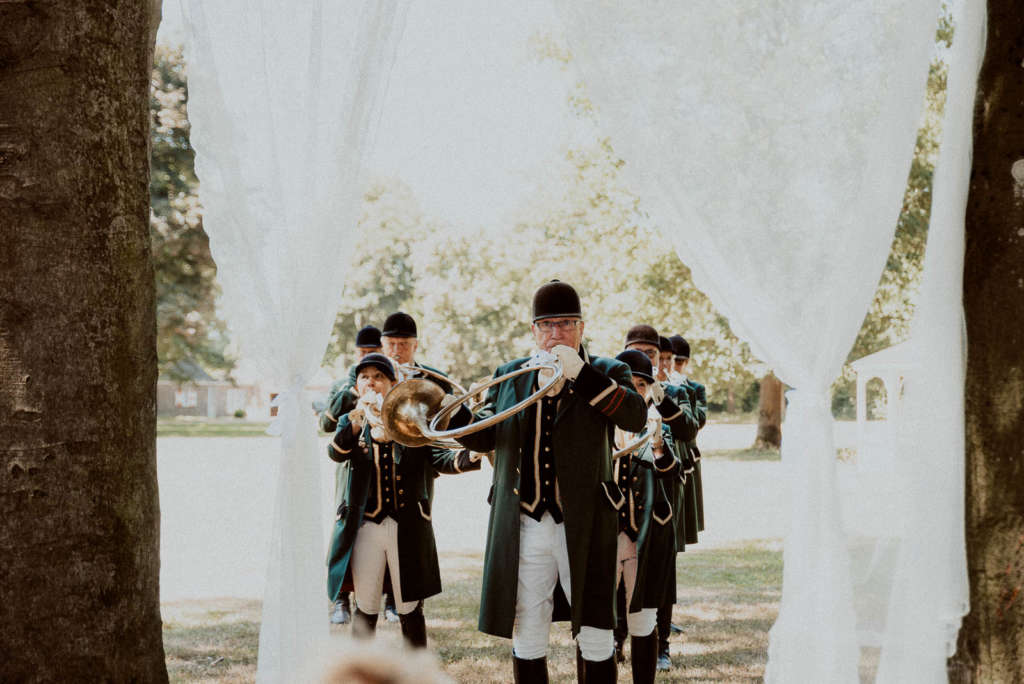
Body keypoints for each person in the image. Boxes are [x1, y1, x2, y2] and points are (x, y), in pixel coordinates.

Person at [448, 280, 647, 683]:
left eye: (566, 324)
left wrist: (583, 376)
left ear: (582, 327)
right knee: (527, 626)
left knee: (595, 629)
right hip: (525, 521)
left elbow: (634, 416)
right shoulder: (510, 375)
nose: (556, 333)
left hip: (586, 521)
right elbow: (486, 435)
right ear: (533, 330)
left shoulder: (609, 370)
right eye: (547, 325)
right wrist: (447, 416)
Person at [325, 353, 480, 648]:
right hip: (366, 526)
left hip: (406, 526)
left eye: (379, 377)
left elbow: (439, 458)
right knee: (367, 605)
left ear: (393, 384)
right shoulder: (351, 421)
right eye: (365, 377)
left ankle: (417, 672)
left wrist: (471, 455)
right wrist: (358, 421)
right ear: (357, 385)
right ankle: (360, 675)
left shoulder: (411, 419)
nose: (372, 382)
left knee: (409, 605)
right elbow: (335, 452)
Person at [622, 325, 700, 670]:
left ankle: (661, 644)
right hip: (624, 490)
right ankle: (617, 637)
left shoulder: (673, 389)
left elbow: (687, 428)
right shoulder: (617, 385)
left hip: (667, 486)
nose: (645, 357)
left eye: (651, 352)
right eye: (637, 350)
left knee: (661, 570)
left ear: (659, 355)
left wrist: (658, 395)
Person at [609, 350, 681, 684]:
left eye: (641, 385)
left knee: (642, 615)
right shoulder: (602, 420)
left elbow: (672, 471)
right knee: (601, 617)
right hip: (608, 531)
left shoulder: (657, 420)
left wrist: (656, 444)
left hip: (646, 532)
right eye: (628, 385)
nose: (635, 390)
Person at [320, 325, 384, 625]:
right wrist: (350, 393)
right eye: (363, 353)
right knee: (345, 529)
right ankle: (341, 600)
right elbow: (326, 423)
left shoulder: (383, 378)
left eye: (374, 352)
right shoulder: (344, 384)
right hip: (349, 458)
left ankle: (390, 601)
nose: (368, 356)